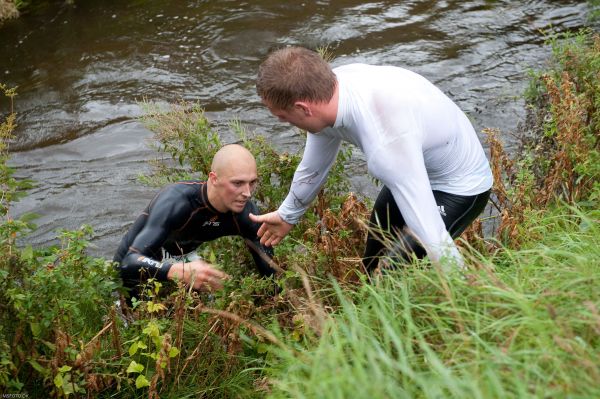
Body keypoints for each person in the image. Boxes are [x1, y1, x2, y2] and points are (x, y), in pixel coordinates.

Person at [249, 46, 493, 272]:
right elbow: (314, 165)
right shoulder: (326, 89)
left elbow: (432, 233)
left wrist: (464, 296)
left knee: (390, 272)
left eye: (283, 117)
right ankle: (369, 307)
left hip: (460, 187)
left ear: (303, 108)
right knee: (372, 260)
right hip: (412, 166)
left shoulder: (385, 140)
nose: (284, 123)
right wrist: (287, 215)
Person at [113, 144, 276, 299]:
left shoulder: (246, 214)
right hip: (134, 266)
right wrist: (180, 272)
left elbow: (271, 278)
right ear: (214, 179)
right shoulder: (177, 202)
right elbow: (129, 262)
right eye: (237, 183)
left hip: (179, 260)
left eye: (252, 182)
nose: (247, 193)